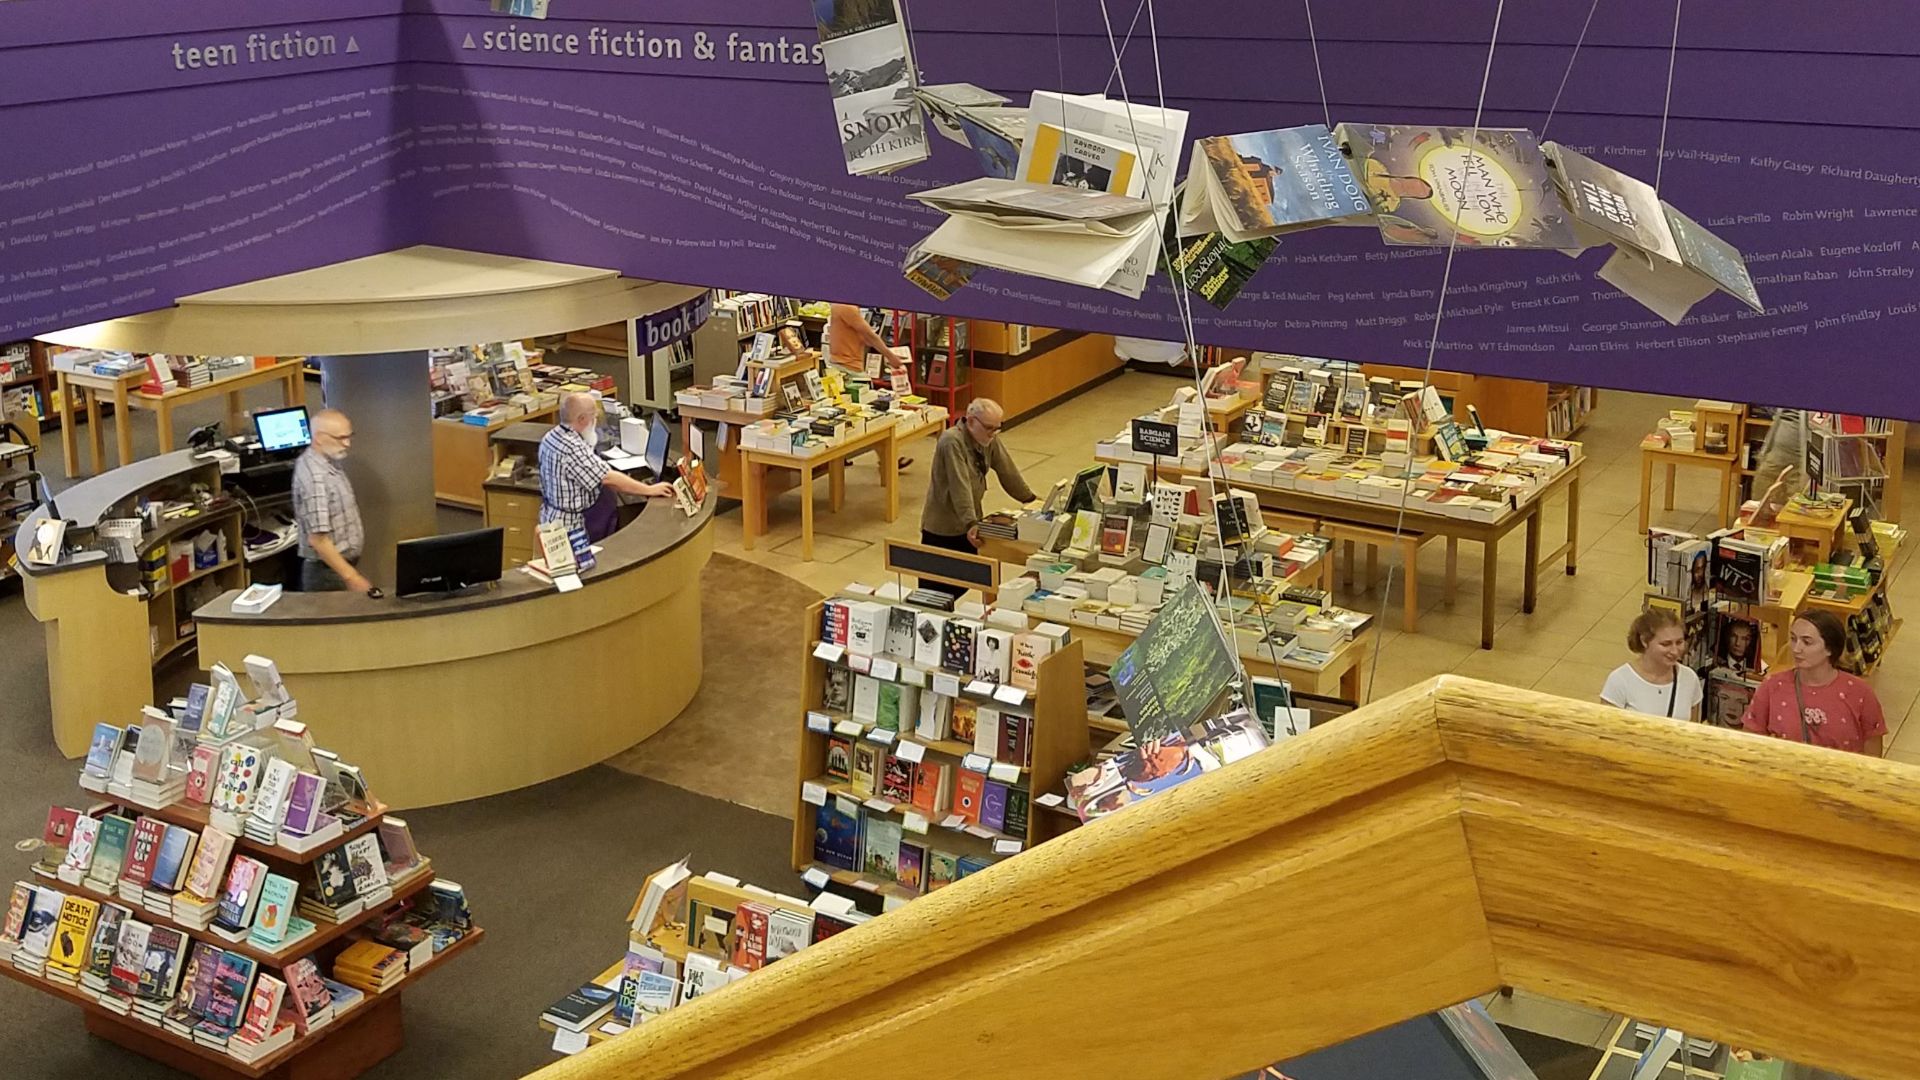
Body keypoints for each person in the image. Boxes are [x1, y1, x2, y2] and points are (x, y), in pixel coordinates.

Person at [920, 398, 1037, 596]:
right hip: (944, 529)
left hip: (969, 524)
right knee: (937, 594)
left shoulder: (987, 439)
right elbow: (960, 485)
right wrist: (971, 523)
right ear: (971, 421)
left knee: (968, 580)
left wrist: (1031, 499)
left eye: (997, 428)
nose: (993, 434)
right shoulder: (951, 441)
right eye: (989, 428)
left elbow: (1007, 471)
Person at [1741, 609, 1885, 756]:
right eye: (1793, 639)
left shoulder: (1860, 693)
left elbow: (1873, 754)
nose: (1796, 649)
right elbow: (1751, 742)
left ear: (1829, 648)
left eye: (1807, 642)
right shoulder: (1772, 687)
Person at [539, 393, 674, 541]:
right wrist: (649, 489)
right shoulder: (572, 448)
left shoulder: (551, 436)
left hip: (551, 518)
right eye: (593, 416)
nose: (595, 421)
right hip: (573, 528)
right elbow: (608, 478)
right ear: (582, 419)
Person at [292, 409, 378, 596]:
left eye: (349, 436)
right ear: (320, 438)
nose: (347, 443)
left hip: (338, 567)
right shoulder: (315, 477)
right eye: (340, 438)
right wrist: (352, 577)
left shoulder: (326, 461)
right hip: (327, 574)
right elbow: (318, 540)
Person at [827, 302, 913, 469]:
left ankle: (885, 460)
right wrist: (890, 356)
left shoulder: (846, 306)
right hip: (849, 369)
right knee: (875, 416)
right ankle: (887, 461)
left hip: (847, 366)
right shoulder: (846, 307)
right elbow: (870, 336)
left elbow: (863, 335)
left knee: (865, 416)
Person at [1600, 608, 1702, 721]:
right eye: (1666, 644)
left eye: (1679, 642)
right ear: (1644, 641)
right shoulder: (1620, 681)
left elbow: (1693, 730)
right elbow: (1606, 732)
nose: (1674, 651)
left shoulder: (1690, 679)